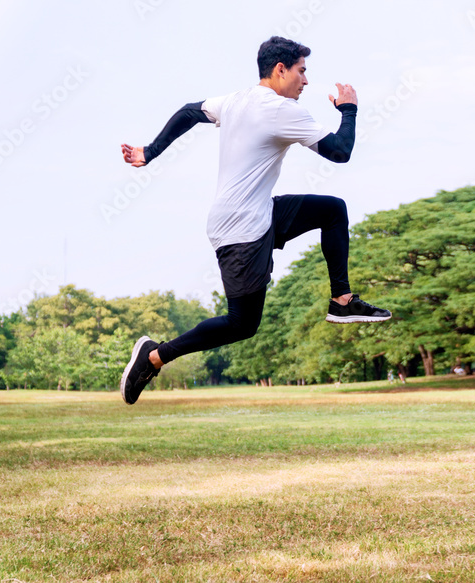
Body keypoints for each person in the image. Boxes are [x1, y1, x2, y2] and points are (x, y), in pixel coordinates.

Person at [117, 36, 391, 405]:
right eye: (302, 71)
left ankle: (342, 300)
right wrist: (349, 110)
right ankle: (153, 356)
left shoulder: (235, 100)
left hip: (259, 211)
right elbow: (340, 152)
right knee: (241, 324)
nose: (306, 80)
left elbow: (188, 111)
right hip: (241, 228)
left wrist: (149, 152)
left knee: (332, 210)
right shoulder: (282, 110)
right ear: (281, 69)